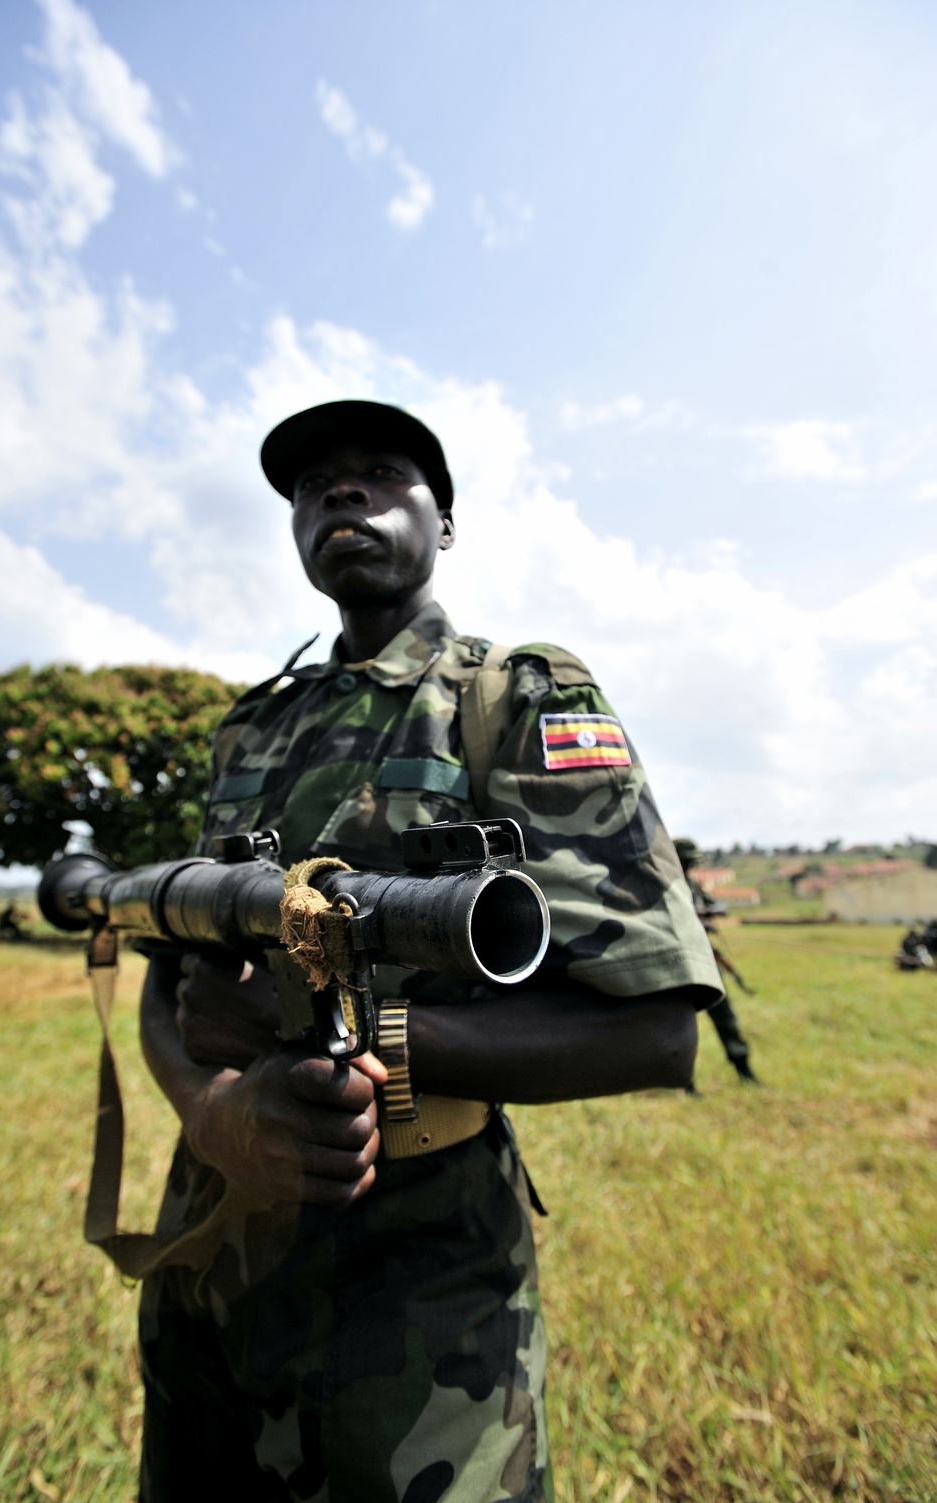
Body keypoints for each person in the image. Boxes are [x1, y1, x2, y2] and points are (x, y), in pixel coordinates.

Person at [137, 400, 723, 1502]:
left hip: (415, 1289)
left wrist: (357, 1040)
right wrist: (210, 1112)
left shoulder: (510, 697)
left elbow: (649, 1027)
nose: (340, 495)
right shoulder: (251, 727)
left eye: (378, 474)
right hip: (214, 1242)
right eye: (314, 486)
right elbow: (168, 970)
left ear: (442, 523)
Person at [673, 837, 759, 1087]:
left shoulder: (693, 886)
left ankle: (743, 1068)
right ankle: (685, 1081)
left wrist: (706, 913)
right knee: (684, 1022)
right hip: (680, 961)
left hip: (705, 957)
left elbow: (717, 905)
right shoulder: (666, 886)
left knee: (725, 1016)